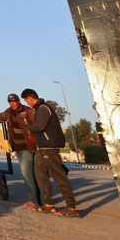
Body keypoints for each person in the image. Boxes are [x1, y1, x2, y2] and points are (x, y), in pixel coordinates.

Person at [21, 88, 79, 218]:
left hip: (49, 147)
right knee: (40, 174)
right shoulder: (37, 109)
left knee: (59, 176)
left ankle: (71, 207)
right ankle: (48, 205)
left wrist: (27, 126)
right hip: (41, 148)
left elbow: (39, 127)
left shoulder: (43, 108)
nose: (27, 103)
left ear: (30, 98)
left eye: (26, 100)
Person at [0, 93, 40, 209]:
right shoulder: (8, 112)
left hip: (28, 147)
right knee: (29, 173)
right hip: (17, 147)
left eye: (13, 101)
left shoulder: (28, 111)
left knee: (26, 173)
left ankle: (33, 200)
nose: (12, 103)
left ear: (18, 101)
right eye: (10, 101)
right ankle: (37, 198)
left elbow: (37, 126)